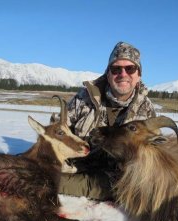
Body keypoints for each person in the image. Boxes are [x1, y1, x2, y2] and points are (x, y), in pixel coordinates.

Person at [58, 41, 156, 200]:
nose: (123, 74)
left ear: (139, 75)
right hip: (70, 168)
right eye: (116, 68)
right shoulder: (84, 98)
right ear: (108, 73)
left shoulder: (146, 112)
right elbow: (56, 132)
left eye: (130, 68)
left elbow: (147, 167)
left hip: (111, 182)